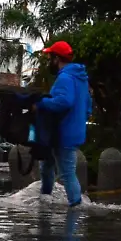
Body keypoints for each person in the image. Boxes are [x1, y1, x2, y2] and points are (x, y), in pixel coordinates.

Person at [35, 40, 92, 207]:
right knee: (47, 165)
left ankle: (76, 206)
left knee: (67, 173)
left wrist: (42, 104)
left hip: (63, 133)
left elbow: (64, 101)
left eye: (50, 58)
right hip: (69, 131)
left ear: (56, 59)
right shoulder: (80, 79)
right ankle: (45, 197)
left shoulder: (65, 77)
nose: (48, 62)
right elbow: (88, 105)